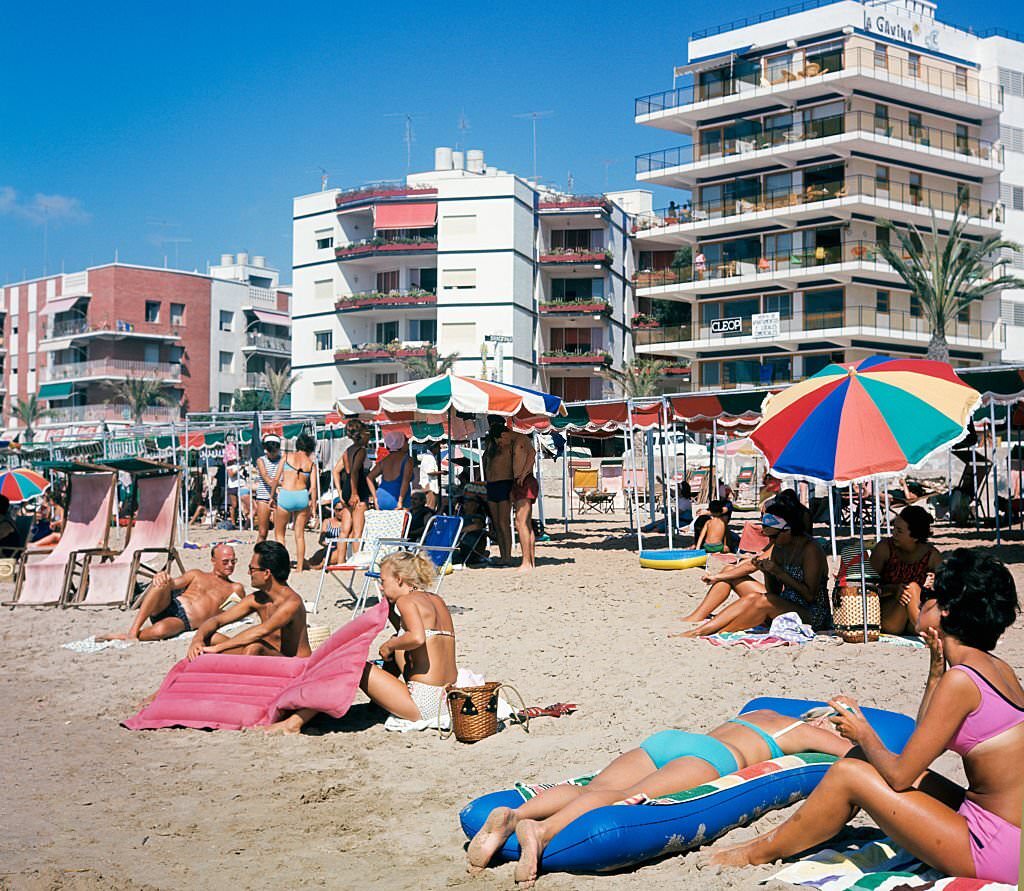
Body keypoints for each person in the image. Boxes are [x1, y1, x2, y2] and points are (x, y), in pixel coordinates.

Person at [709, 549, 1023, 885]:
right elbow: (923, 741)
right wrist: (935, 671)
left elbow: (901, 776)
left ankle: (757, 853)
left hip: (995, 848)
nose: (920, 600)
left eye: (929, 597)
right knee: (866, 761)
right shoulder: (992, 668)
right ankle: (770, 841)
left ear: (945, 611)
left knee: (850, 774)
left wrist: (862, 731)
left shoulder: (961, 681)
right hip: (1004, 830)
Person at [467, 707, 852, 886]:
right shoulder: (803, 729)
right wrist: (842, 736)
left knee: (594, 787)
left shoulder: (763, 712)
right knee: (623, 795)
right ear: (821, 721)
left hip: (674, 739)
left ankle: (515, 816)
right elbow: (849, 754)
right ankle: (543, 831)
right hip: (713, 759)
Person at [263, 550, 457, 734]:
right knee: (395, 645)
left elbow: (416, 637)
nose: (381, 587)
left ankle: (293, 723)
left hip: (423, 701)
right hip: (446, 698)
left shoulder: (405, 601)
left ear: (399, 579)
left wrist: (389, 645)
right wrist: (394, 639)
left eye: (383, 581)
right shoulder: (436, 600)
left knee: (353, 666)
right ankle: (376, 706)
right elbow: (417, 639)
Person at [678, 496, 830, 636]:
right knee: (754, 595)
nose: (771, 541)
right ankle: (700, 625)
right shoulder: (780, 546)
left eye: (773, 536)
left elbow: (810, 596)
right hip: (787, 602)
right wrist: (768, 573)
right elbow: (774, 591)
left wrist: (779, 573)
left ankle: (718, 632)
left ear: (788, 531)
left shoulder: (811, 550)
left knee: (763, 600)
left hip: (813, 614)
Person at [187, 540, 311, 659]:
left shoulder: (292, 603)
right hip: (267, 657)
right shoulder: (258, 598)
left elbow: (262, 631)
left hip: (294, 663)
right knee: (210, 638)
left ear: (267, 573)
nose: (248, 573)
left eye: (252, 569)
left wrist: (218, 648)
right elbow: (217, 620)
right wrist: (197, 640)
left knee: (255, 647)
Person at [100, 544, 244, 641]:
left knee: (161, 631)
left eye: (233, 561)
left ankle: (124, 636)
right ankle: (133, 631)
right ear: (213, 560)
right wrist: (162, 577)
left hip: (184, 621)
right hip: (169, 604)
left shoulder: (234, 588)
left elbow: (238, 610)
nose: (230, 565)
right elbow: (173, 584)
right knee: (162, 583)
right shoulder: (197, 574)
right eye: (225, 561)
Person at [870, 505, 942, 635]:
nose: (894, 534)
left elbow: (948, 588)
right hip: (889, 614)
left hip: (913, 618)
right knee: (911, 587)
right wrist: (893, 589)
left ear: (915, 536)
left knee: (913, 588)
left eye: (899, 531)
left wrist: (933, 587)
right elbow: (866, 588)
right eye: (894, 528)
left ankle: (924, 630)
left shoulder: (931, 555)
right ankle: (927, 633)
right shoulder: (885, 549)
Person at [274, 432, 319, 574]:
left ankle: (283, 565)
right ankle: (299, 567)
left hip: (286, 494)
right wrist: (314, 506)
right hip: (301, 496)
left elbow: (276, 479)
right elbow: (313, 487)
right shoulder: (311, 464)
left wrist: (271, 496)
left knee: (279, 535)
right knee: (299, 535)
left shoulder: (287, 457)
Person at [336, 421, 371, 558]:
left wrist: (341, 492)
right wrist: (355, 493)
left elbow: (347, 471)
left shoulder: (347, 451)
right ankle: (356, 559)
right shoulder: (360, 450)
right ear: (362, 434)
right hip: (357, 489)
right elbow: (355, 472)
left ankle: (340, 560)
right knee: (358, 531)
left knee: (344, 530)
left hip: (346, 488)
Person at [483, 421, 514, 565]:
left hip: (504, 483)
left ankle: (507, 555)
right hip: (492, 485)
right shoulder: (490, 449)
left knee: (503, 523)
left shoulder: (508, 448)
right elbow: (486, 466)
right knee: (496, 524)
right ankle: (503, 556)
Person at [511, 431, 538, 572]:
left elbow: (533, 454)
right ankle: (531, 561)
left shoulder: (521, 438)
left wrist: (524, 474)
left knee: (520, 522)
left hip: (525, 481)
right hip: (520, 481)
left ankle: (526, 562)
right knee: (526, 523)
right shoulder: (515, 440)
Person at [369, 430, 414, 510]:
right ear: (402, 443)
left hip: (381, 497)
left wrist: (375, 498)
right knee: (402, 522)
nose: (408, 443)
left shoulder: (384, 460)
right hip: (397, 498)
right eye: (406, 441)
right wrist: (400, 501)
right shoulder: (407, 460)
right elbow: (405, 481)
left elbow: (369, 477)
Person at [254, 435, 285, 542]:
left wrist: (278, 483)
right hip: (263, 496)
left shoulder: (283, 459)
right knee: (263, 532)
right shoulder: (261, 460)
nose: (272, 454)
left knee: (279, 532)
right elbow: (266, 478)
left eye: (274, 451)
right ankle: (258, 556)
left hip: (279, 498)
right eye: (270, 451)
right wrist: (279, 483)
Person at [307, 499, 347, 570]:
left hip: (340, 549)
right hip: (328, 548)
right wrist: (327, 544)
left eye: (343, 510)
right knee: (313, 559)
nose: (341, 512)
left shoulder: (347, 524)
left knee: (330, 556)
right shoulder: (327, 522)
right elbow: (321, 540)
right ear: (334, 510)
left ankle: (321, 565)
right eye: (339, 510)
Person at [417, 443, 441, 510]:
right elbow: (430, 472)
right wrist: (442, 472)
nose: (438, 451)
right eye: (438, 448)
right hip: (429, 486)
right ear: (434, 448)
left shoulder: (427, 457)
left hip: (427, 485)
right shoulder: (429, 457)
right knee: (430, 507)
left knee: (430, 506)